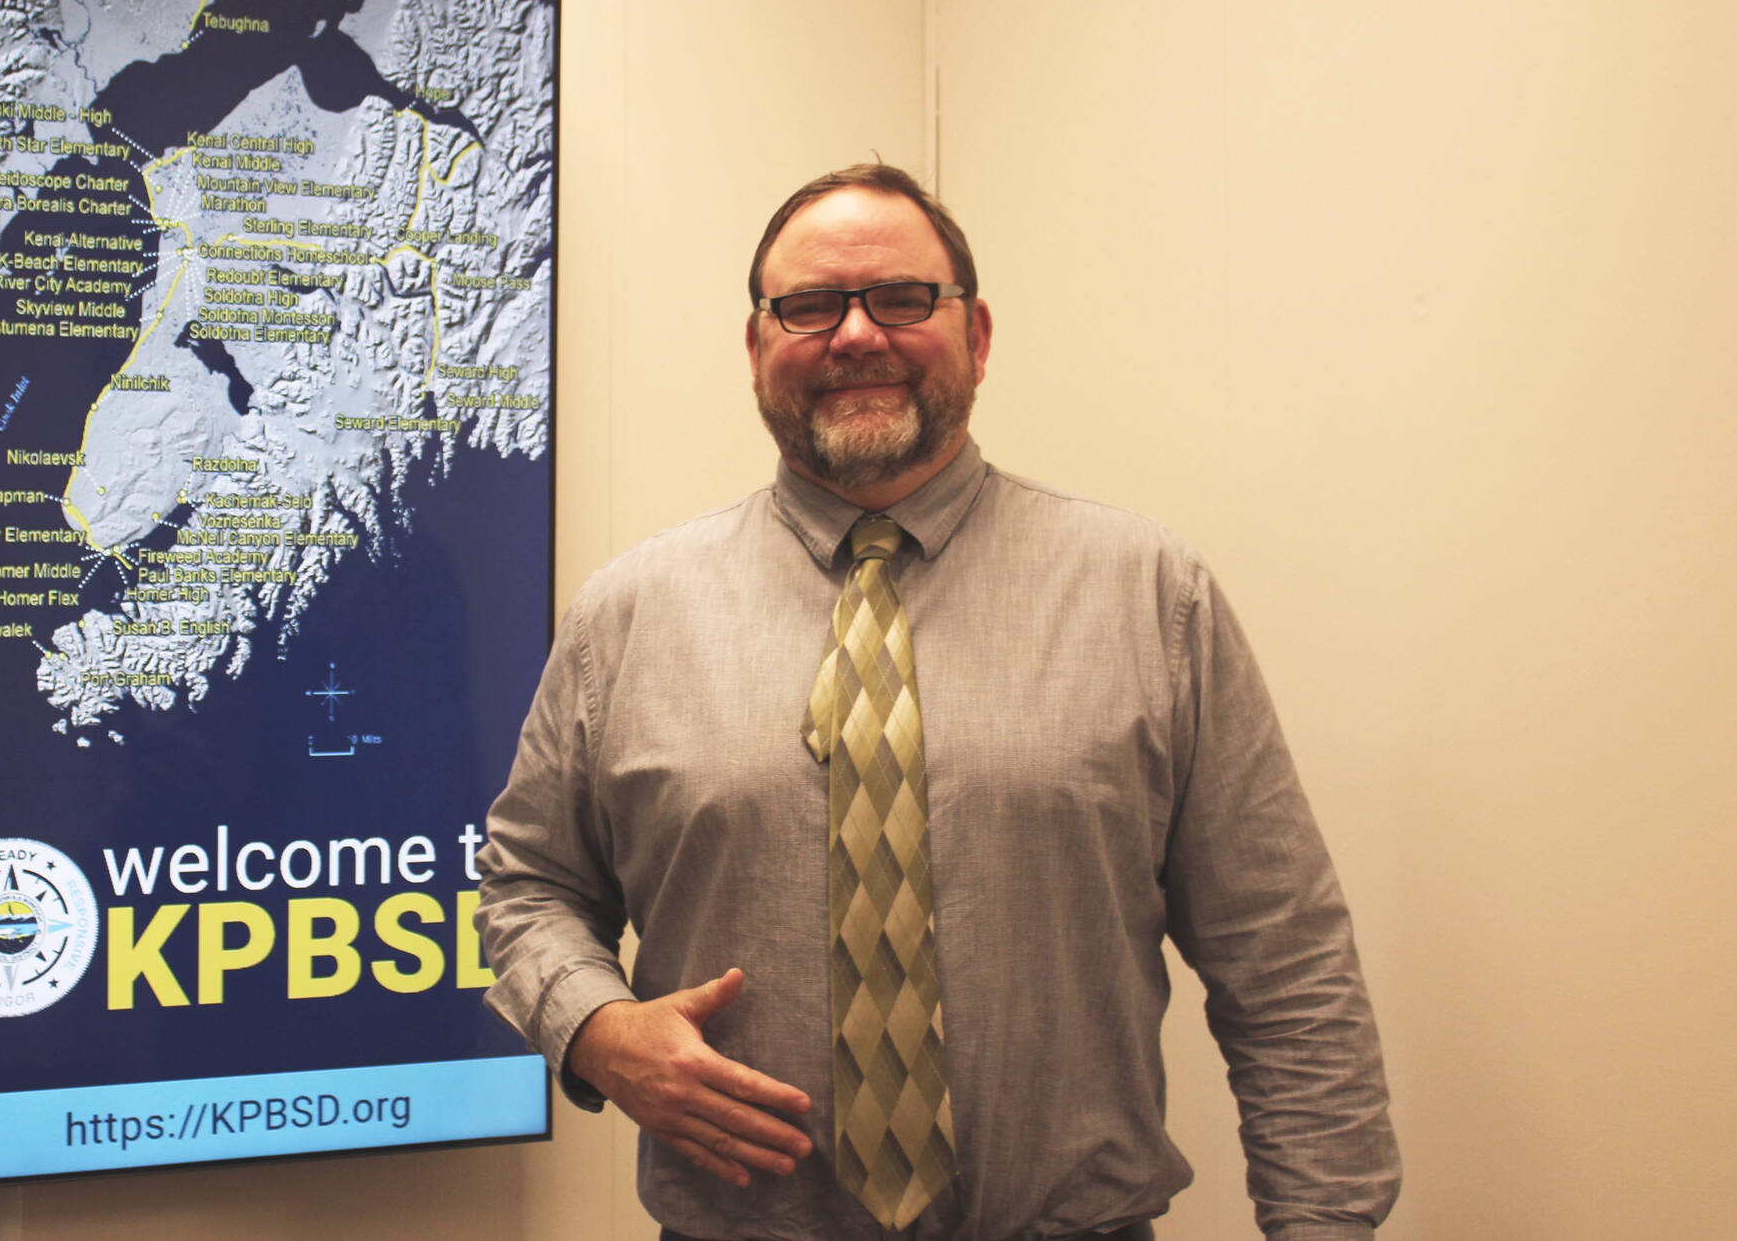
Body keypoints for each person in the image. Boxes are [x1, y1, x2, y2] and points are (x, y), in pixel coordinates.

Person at [475, 163, 1399, 1241]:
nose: (856, 334)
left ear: (978, 333)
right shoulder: (625, 616)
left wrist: (1323, 1225)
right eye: (809, 306)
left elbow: (1283, 960)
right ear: (755, 346)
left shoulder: (1152, 596)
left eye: (902, 299)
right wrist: (595, 1029)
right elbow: (528, 886)